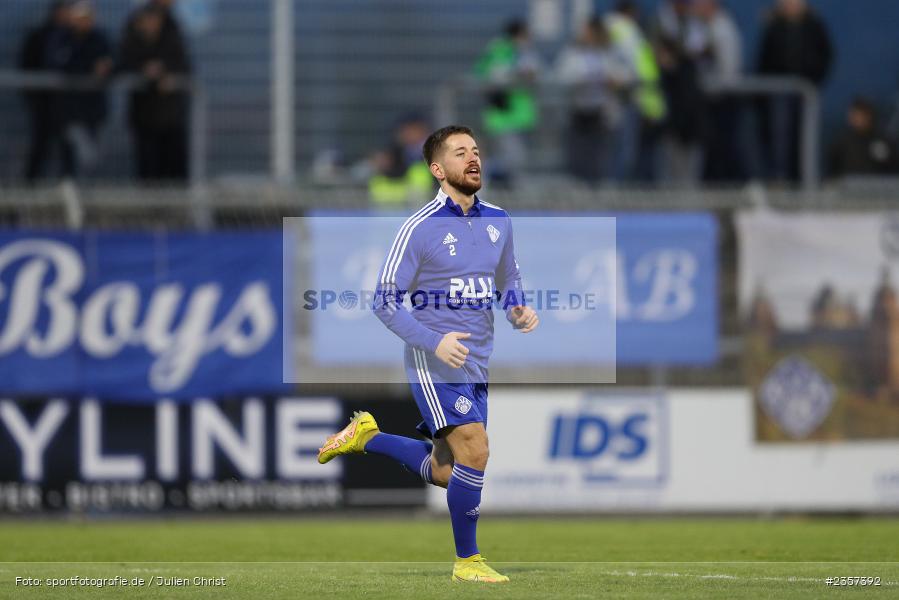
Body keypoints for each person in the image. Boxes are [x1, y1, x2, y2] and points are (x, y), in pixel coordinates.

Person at [317, 125, 539, 583]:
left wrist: (516, 306)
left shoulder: (499, 220)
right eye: (460, 153)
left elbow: (508, 277)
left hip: (475, 359)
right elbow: (383, 300)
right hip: (434, 357)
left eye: (476, 150)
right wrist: (433, 341)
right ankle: (468, 563)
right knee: (476, 449)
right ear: (438, 170)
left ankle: (367, 437)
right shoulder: (419, 229)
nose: (473, 158)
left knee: (446, 470)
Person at [758, 0, 833, 182]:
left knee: (807, 136)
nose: (791, 5)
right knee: (780, 137)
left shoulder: (814, 25)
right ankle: (780, 179)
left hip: (806, 91)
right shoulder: (774, 26)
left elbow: (826, 54)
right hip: (779, 91)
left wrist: (814, 79)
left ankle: (807, 178)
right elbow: (764, 58)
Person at [119, 3, 192, 182]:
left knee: (175, 170)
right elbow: (123, 63)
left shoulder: (172, 28)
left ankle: (176, 208)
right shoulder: (133, 32)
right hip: (145, 116)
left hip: (172, 117)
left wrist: (167, 73)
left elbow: (184, 65)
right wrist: (144, 71)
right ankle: (150, 209)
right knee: (148, 170)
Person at [555, 17, 633, 183]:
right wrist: (582, 80)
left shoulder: (606, 53)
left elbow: (625, 74)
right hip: (579, 111)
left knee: (600, 157)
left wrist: (614, 80)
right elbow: (562, 76)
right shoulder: (573, 53)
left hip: (600, 113)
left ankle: (599, 188)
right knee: (579, 156)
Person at [473, 20, 540, 185]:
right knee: (513, 160)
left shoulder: (523, 52)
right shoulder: (501, 51)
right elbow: (492, 75)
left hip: (519, 117)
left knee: (514, 160)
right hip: (503, 116)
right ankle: (481, 177)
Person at [19, 0, 73, 182]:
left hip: (68, 108)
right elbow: (27, 68)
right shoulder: (39, 37)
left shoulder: (76, 37)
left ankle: (68, 191)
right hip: (43, 106)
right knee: (40, 150)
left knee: (68, 151)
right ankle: (29, 192)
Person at [693, 0, 745, 182]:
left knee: (724, 147)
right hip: (713, 97)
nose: (695, 8)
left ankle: (732, 189)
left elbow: (727, 69)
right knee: (714, 149)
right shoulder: (705, 28)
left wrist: (715, 89)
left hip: (723, 97)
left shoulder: (722, 29)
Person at [60, 0, 113, 175]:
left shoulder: (99, 39)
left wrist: (107, 67)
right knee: (69, 157)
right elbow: (61, 64)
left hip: (93, 110)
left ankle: (87, 195)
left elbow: (115, 61)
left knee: (92, 159)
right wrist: (90, 68)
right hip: (69, 110)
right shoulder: (63, 38)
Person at [829, 97, 899, 178]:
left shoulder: (884, 141)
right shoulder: (841, 142)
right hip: (848, 187)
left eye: (863, 115)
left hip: (879, 187)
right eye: (856, 115)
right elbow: (833, 170)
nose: (859, 119)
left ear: (870, 116)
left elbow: (893, 168)